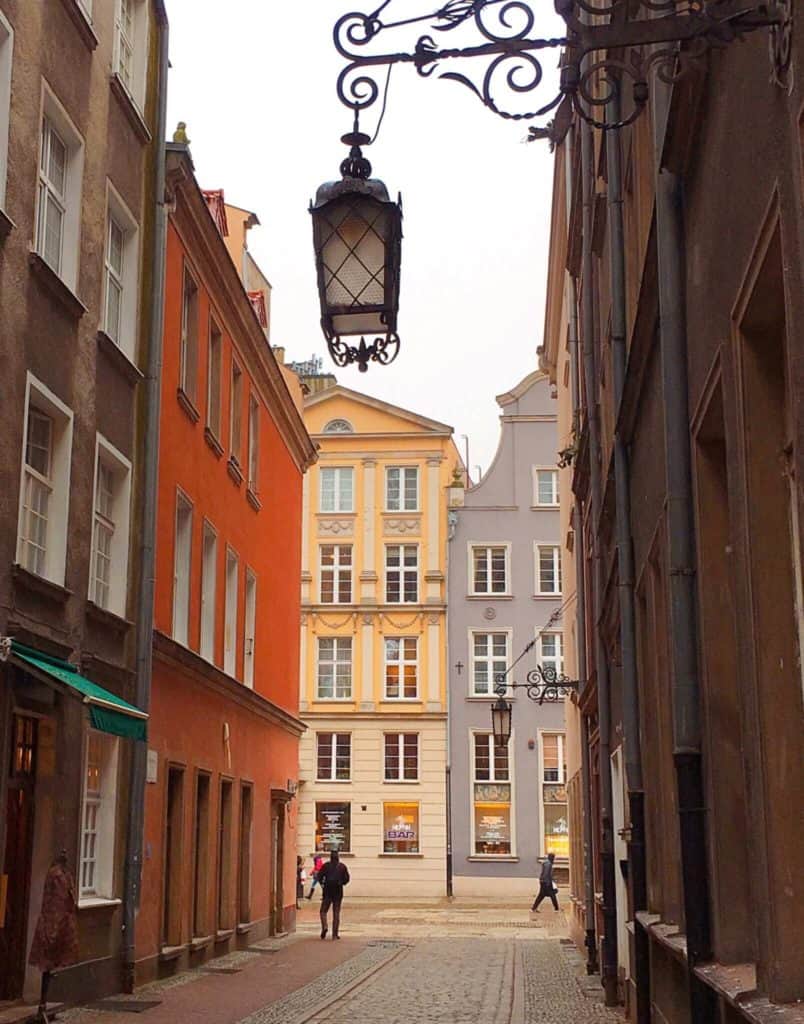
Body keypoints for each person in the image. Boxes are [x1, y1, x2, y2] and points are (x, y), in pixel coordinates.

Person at [317, 850, 350, 939]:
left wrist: (323, 884)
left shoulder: (326, 866)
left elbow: (319, 876)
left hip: (327, 890)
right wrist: (341, 882)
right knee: (336, 913)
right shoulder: (342, 867)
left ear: (330, 857)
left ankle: (325, 926)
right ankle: (335, 935)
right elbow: (347, 879)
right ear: (338, 857)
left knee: (323, 911)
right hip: (338, 891)